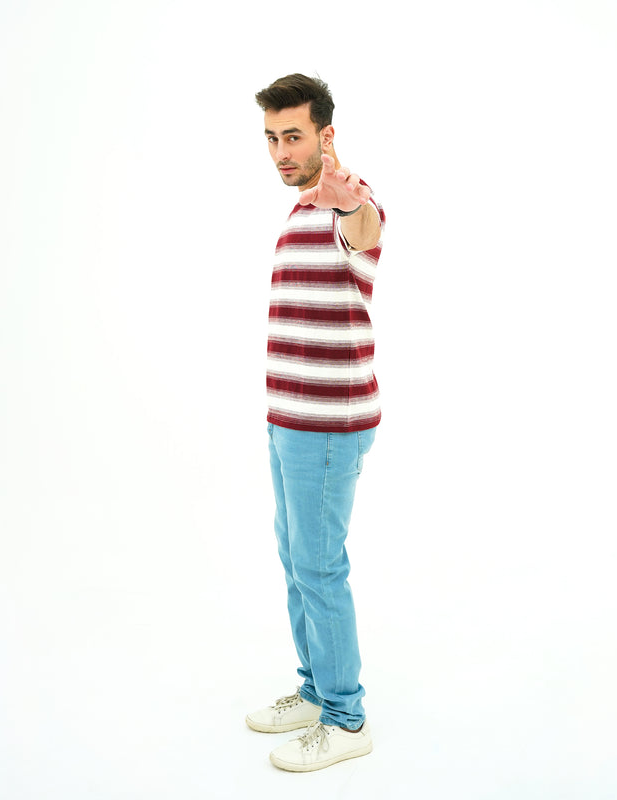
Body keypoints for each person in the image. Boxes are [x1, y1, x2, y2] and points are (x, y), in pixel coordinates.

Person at [245, 73, 385, 773]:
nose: (280, 151)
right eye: (272, 138)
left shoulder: (343, 205)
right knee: (296, 560)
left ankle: (346, 716)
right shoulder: (302, 210)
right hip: (289, 420)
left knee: (320, 567)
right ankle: (314, 689)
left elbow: (368, 229)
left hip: (329, 425)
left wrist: (351, 197)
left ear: (326, 136)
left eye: (293, 136)